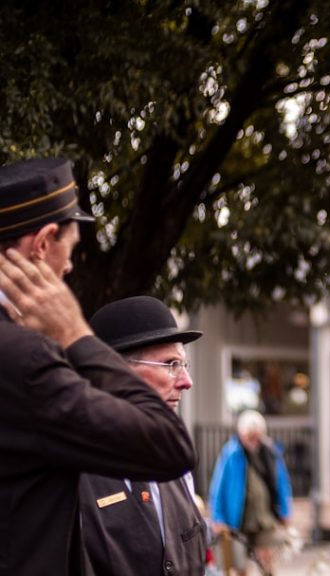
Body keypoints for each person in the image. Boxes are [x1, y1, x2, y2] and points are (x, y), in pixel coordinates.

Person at [0, 157, 196, 575]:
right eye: (69, 251)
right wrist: (75, 334)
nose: (69, 268)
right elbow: (170, 446)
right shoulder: (24, 358)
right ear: (43, 243)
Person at [77, 296, 208, 575]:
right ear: (115, 372)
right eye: (171, 364)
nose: (186, 382)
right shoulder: (69, 475)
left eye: (185, 365)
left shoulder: (177, 466)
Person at [209, 409, 293, 575]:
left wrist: (285, 511)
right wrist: (218, 517)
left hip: (264, 518)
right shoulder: (231, 453)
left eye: (257, 436)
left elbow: (282, 483)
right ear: (241, 434)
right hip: (237, 520)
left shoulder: (270, 452)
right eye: (250, 437)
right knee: (239, 566)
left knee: (267, 563)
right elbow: (218, 487)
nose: (253, 441)